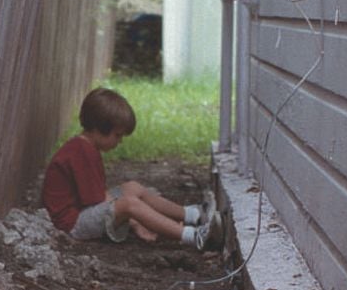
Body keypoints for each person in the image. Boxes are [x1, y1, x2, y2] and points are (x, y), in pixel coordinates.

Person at [42, 87, 220, 249]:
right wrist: (137, 223)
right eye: (117, 135)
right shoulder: (82, 152)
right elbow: (100, 201)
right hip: (71, 224)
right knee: (129, 204)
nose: (119, 141)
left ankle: (193, 215)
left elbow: (98, 197)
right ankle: (194, 236)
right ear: (98, 128)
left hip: (80, 212)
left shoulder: (84, 147)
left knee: (132, 188)